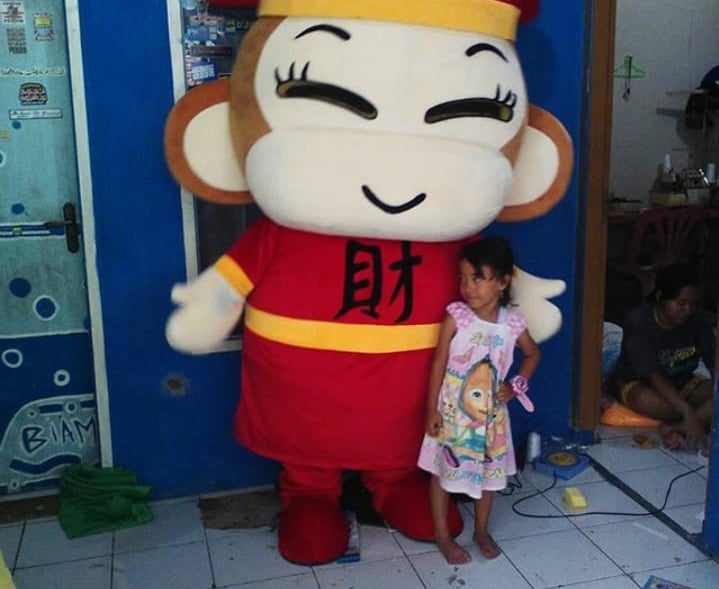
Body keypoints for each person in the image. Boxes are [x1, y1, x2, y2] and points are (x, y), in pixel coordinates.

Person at [417, 237, 541, 564]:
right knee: (441, 473)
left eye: (477, 279)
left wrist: (515, 386)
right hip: (452, 416)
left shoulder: (512, 324)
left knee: (488, 476)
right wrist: (431, 411)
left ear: (502, 282)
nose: (467, 287)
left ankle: (481, 531)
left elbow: (532, 355)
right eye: (462, 278)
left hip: (491, 419)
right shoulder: (457, 317)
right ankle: (442, 535)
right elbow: (438, 364)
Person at [610, 262, 716, 451]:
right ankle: (692, 419)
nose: (688, 310)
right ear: (660, 296)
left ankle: (679, 427)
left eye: (693, 304)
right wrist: (688, 411)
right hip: (640, 384)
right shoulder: (639, 322)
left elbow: (713, 362)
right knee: (658, 406)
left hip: (682, 382)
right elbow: (653, 376)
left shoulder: (698, 321)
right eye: (681, 303)